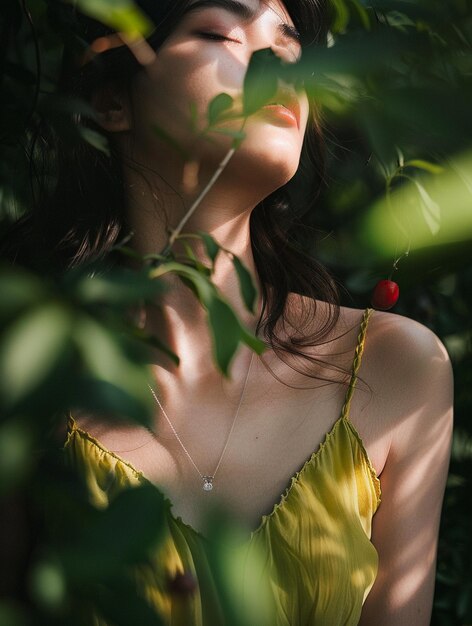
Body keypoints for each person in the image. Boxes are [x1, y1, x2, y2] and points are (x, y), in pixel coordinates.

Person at [3, 1, 453, 624]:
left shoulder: (394, 369)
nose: (275, 67)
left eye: (291, 52)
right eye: (221, 32)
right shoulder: (30, 379)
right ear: (113, 101)